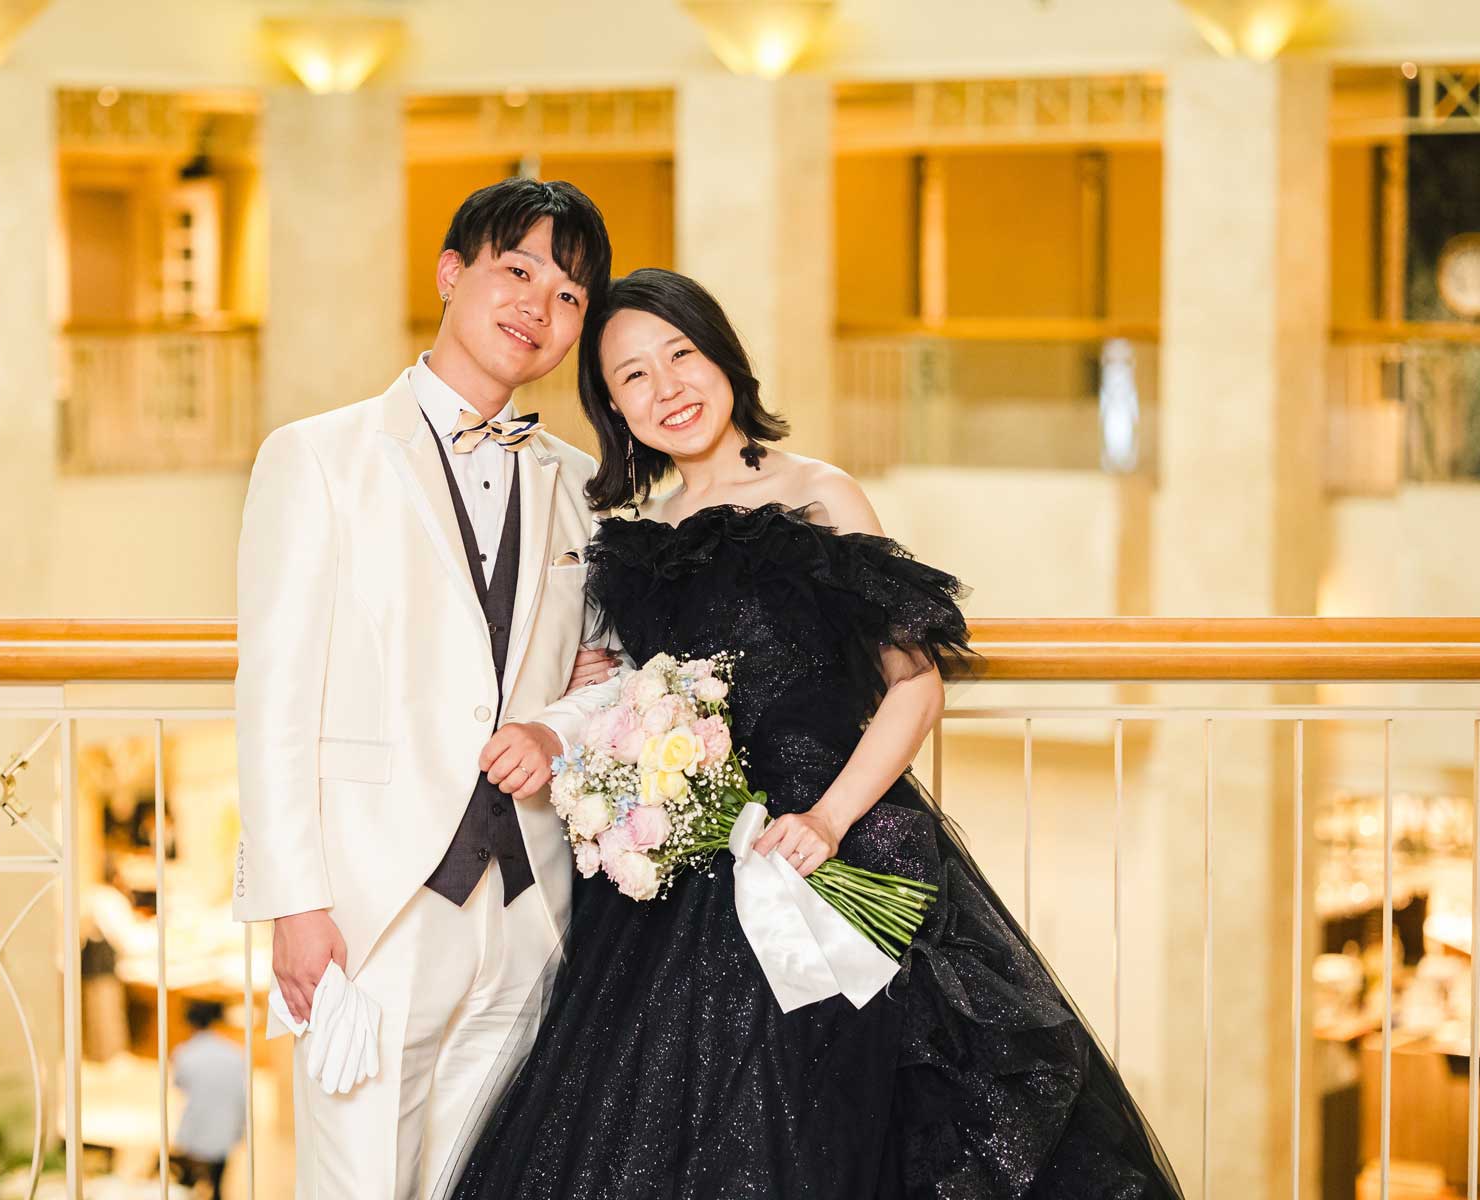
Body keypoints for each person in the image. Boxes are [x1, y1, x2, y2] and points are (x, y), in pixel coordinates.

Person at [446, 269, 1186, 1198]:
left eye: (682, 354)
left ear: (724, 358)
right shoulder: (632, 544)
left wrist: (828, 820)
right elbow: (631, 686)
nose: (667, 387)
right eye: (633, 376)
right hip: (683, 875)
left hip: (837, 848)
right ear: (613, 407)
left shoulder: (819, 494)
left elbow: (914, 686)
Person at [233, 177, 620, 1199]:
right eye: (517, 270)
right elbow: (274, 698)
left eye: (569, 295)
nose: (539, 306)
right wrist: (294, 904)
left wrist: (562, 719)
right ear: (451, 274)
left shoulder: (580, 484)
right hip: (371, 908)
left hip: (529, 911)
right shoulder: (318, 457)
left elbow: (609, 673)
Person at [170, 1000, 246, 1200]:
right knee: (218, 1185)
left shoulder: (185, 1053)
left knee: (188, 1184)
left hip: (196, 1125)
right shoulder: (233, 1052)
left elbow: (179, 1084)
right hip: (225, 1125)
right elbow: (241, 1094)